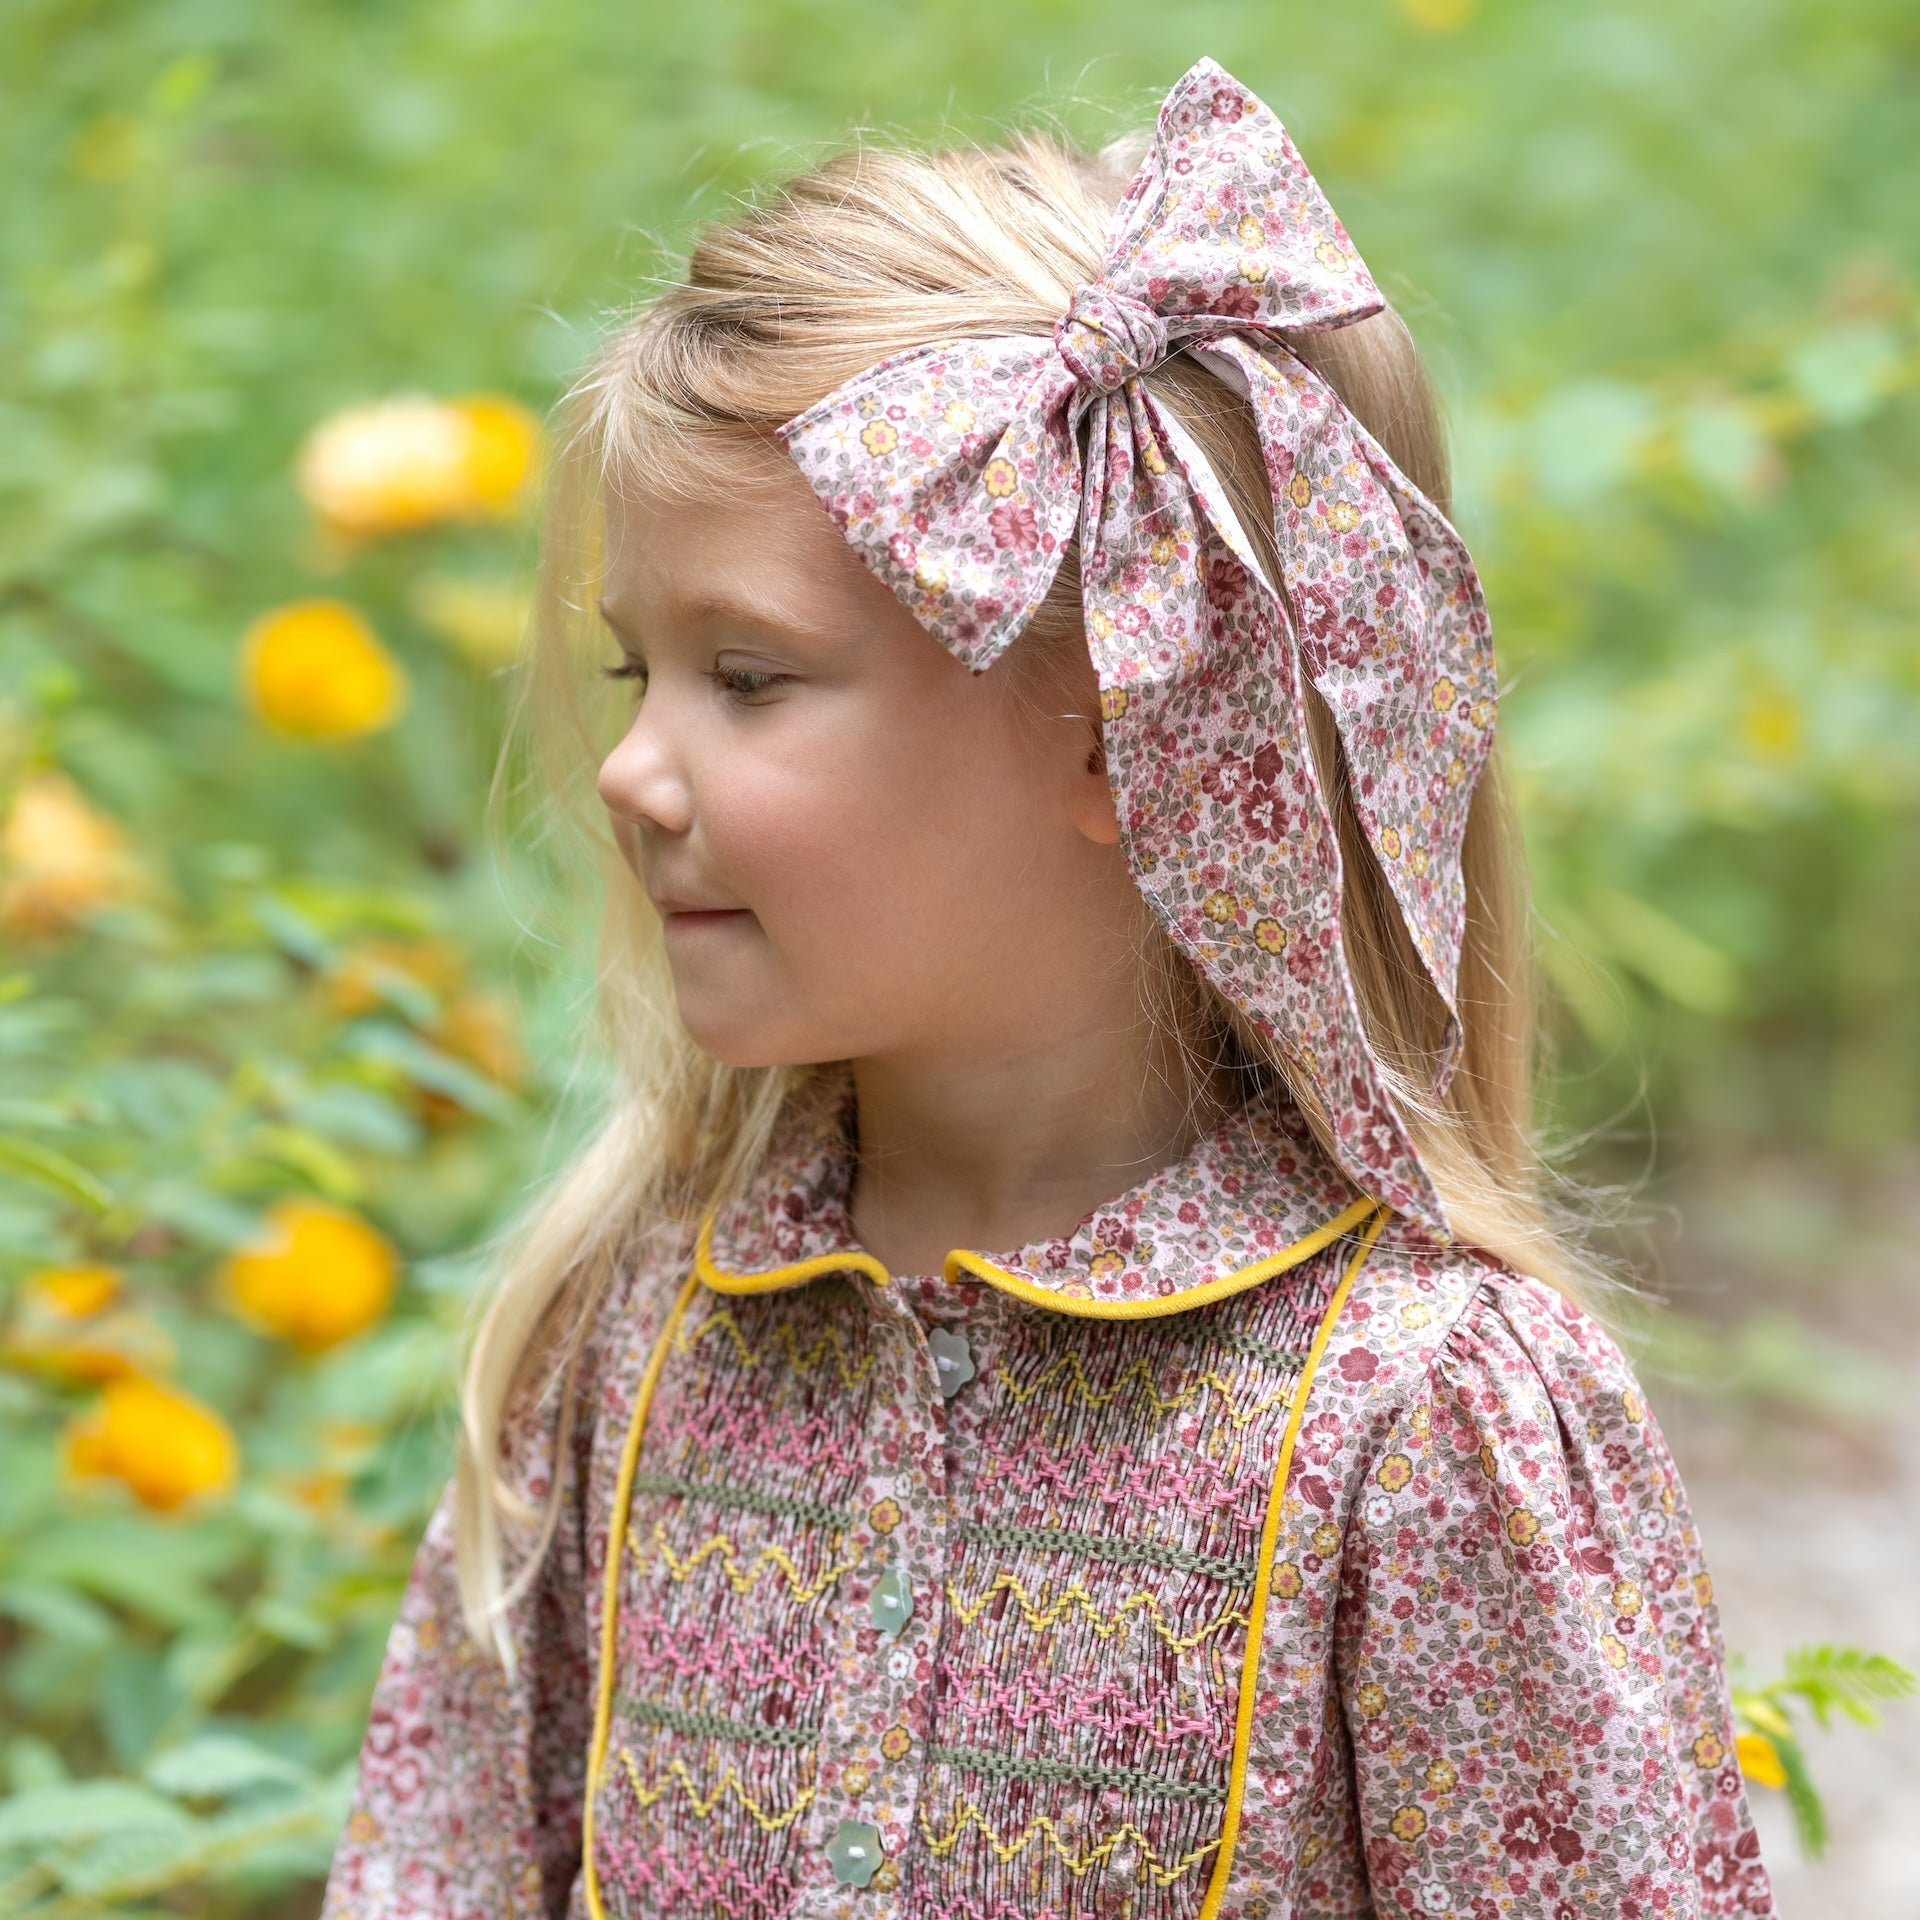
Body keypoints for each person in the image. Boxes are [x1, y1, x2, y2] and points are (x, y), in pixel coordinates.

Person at [319, 56, 1772, 1920]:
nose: (631, 771)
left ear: (1122, 736)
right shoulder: (631, 1338)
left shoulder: (1415, 1420)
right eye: (632, 676)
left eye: (748, 679)